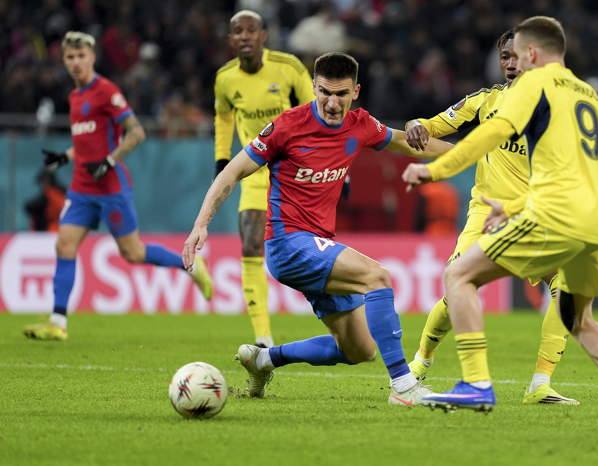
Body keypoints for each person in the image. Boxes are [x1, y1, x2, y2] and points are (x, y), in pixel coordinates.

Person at [403, 17, 598, 428]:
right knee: (579, 319)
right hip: (597, 216)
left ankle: (476, 384)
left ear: (531, 52)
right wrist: (518, 203)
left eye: (517, 54)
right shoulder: (588, 94)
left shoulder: (533, 85)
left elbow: (492, 133)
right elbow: (573, 167)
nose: (512, 62)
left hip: (552, 213)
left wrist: (433, 170)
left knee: (459, 276)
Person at [184, 52, 454, 406]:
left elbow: (408, 142)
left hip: (319, 244)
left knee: (359, 349)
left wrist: (474, 154)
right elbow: (232, 171)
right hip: (287, 243)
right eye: (325, 92)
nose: (332, 103)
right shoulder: (287, 126)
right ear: (313, 87)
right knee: (378, 277)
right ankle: (404, 387)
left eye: (341, 94)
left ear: (355, 92)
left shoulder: (361, 125)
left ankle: (263, 359)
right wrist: (200, 224)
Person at [403, 29, 577, 405]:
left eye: (517, 56)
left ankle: (540, 383)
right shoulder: (485, 101)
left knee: (567, 285)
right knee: (457, 284)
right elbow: (432, 125)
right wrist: (417, 123)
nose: (510, 64)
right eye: (504, 57)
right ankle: (419, 364)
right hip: (487, 211)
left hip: (533, 213)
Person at [22, 31, 214, 341]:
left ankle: (191, 265)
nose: (75, 62)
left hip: (111, 188)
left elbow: (137, 132)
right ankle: (57, 322)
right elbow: (85, 144)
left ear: (92, 57)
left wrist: (109, 161)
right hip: (81, 190)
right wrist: (63, 157)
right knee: (64, 245)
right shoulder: (74, 97)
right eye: (70, 57)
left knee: (133, 253)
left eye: (81, 56)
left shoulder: (106, 91)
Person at [214, 10, 316, 349]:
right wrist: (222, 160)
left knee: (310, 250)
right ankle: (262, 337)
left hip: (295, 174)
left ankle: (338, 318)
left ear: (263, 36)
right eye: (237, 31)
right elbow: (224, 118)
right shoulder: (225, 78)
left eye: (251, 30)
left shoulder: (288, 68)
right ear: (231, 40)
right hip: (256, 174)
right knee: (250, 246)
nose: (244, 35)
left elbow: (316, 113)